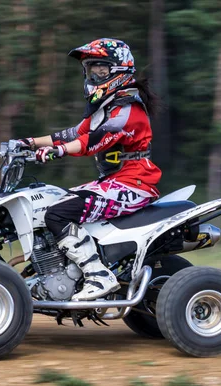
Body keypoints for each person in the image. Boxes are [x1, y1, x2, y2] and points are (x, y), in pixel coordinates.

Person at [17, 38, 162, 301]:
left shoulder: (127, 109)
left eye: (100, 69)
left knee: (58, 214)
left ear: (118, 71)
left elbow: (93, 141)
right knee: (49, 203)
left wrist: (58, 151)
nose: (92, 75)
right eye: (89, 70)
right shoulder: (108, 106)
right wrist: (29, 142)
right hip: (113, 181)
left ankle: (98, 275)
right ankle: (52, 271)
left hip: (134, 183)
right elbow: (74, 132)